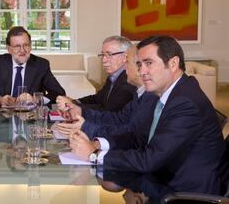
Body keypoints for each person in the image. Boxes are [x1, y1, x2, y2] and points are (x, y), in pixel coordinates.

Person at [70, 35, 225, 194]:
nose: (142, 71)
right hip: (162, 179)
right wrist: (100, 144)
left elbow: (150, 160)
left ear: (173, 64)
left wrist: (95, 155)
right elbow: (140, 136)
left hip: (181, 191)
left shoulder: (185, 103)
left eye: (149, 63)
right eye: (139, 64)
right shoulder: (170, 92)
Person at [53, 45, 158, 138]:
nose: (103, 60)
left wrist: (86, 129)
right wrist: (78, 108)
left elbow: (128, 131)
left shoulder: (134, 88)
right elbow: (118, 117)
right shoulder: (138, 91)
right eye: (102, 55)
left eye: (127, 61)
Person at [0, 26, 65, 108]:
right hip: (2, 118)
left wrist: (36, 99)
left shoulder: (41, 65)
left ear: (30, 46)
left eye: (26, 45)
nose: (22, 50)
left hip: (30, 120)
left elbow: (59, 93)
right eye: (17, 46)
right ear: (9, 49)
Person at [56, 35, 136, 112]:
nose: (104, 60)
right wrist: (75, 101)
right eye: (103, 55)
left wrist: (72, 106)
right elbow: (98, 99)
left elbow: (108, 111)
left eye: (109, 55)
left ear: (125, 57)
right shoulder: (113, 76)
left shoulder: (129, 81)